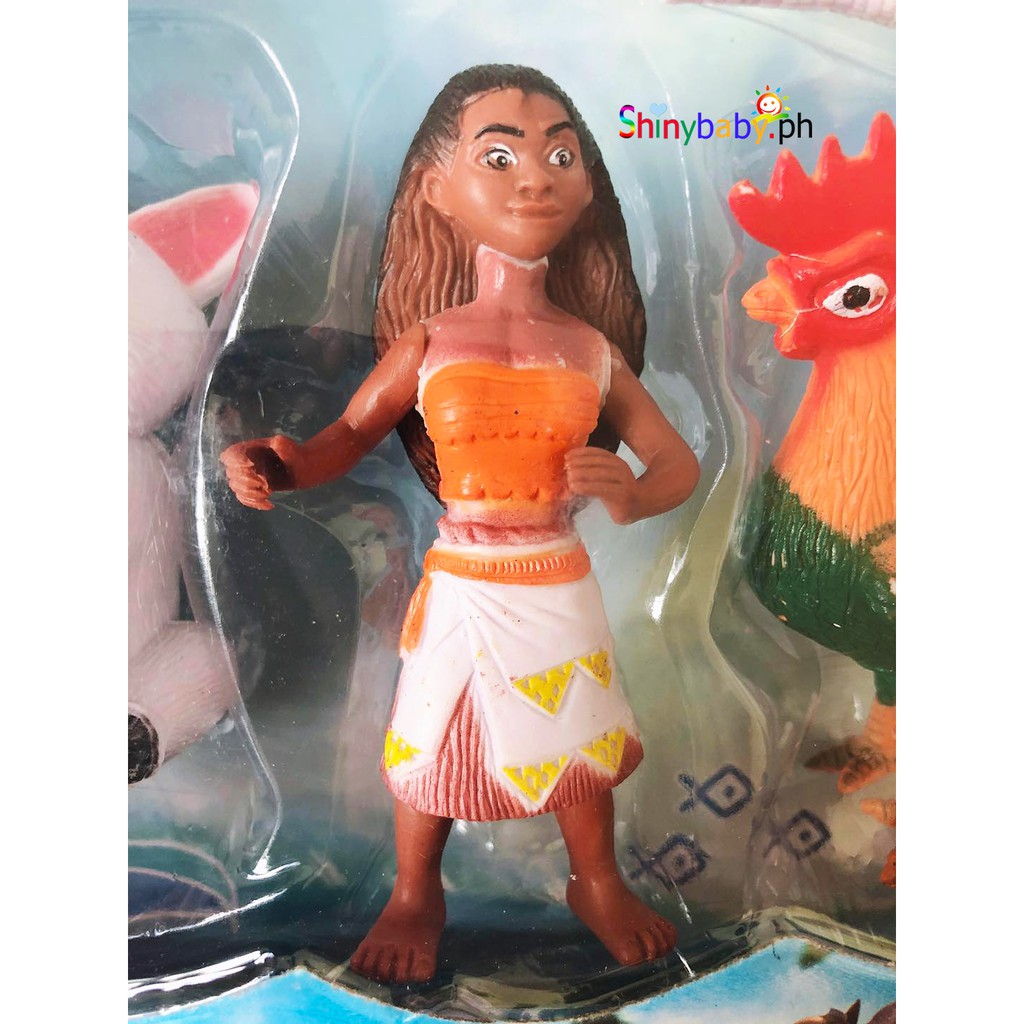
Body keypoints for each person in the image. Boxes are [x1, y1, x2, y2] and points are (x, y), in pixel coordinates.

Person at [222, 64, 700, 985]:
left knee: (579, 731)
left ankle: (595, 881)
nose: (536, 179)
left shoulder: (592, 350)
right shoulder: (430, 342)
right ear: (438, 190)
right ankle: (415, 891)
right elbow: (348, 436)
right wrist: (281, 463)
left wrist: (632, 493)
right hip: (464, 572)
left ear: (587, 189)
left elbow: (677, 462)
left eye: (561, 155)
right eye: (500, 156)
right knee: (432, 730)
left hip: (554, 572)